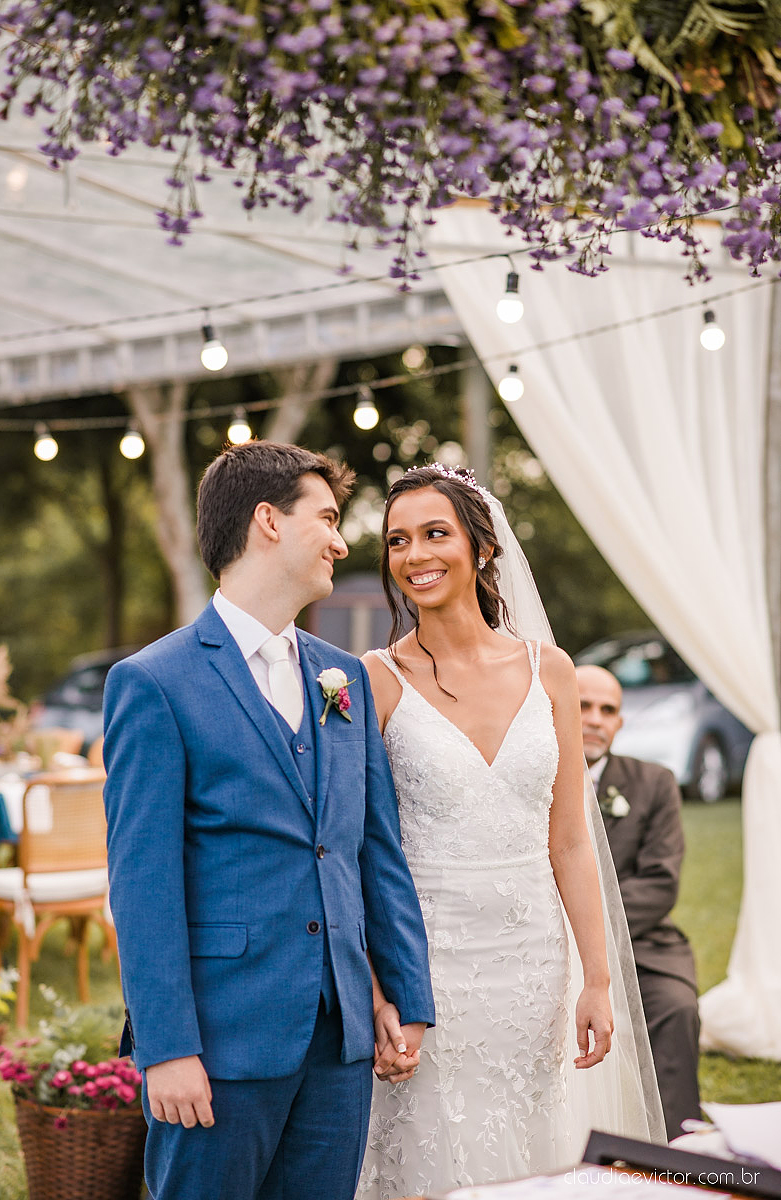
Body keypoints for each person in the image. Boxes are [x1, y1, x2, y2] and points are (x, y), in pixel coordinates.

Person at [102, 441, 435, 1200]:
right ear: (267, 522)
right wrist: (167, 1049)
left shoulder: (344, 675)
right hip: (220, 1044)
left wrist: (403, 996)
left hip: (341, 1040)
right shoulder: (154, 683)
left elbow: (371, 847)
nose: (342, 540)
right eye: (325, 517)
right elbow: (142, 884)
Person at [358, 464, 665, 1200]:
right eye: (398, 540)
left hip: (532, 965)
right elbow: (358, 850)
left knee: (529, 1146)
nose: (415, 555)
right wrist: (377, 989)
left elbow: (568, 841)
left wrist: (595, 978)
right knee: (431, 1152)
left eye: (436, 533)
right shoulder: (374, 677)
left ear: (482, 547)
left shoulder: (550, 670)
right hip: (426, 962)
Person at [576, 663, 702, 1140]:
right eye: (583, 706)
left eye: (608, 710)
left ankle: (678, 1145)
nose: (594, 719)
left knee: (676, 1005)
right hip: (548, 940)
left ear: (620, 723)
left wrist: (588, 928)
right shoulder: (532, 779)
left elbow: (660, 883)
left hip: (640, 941)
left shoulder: (654, 783)